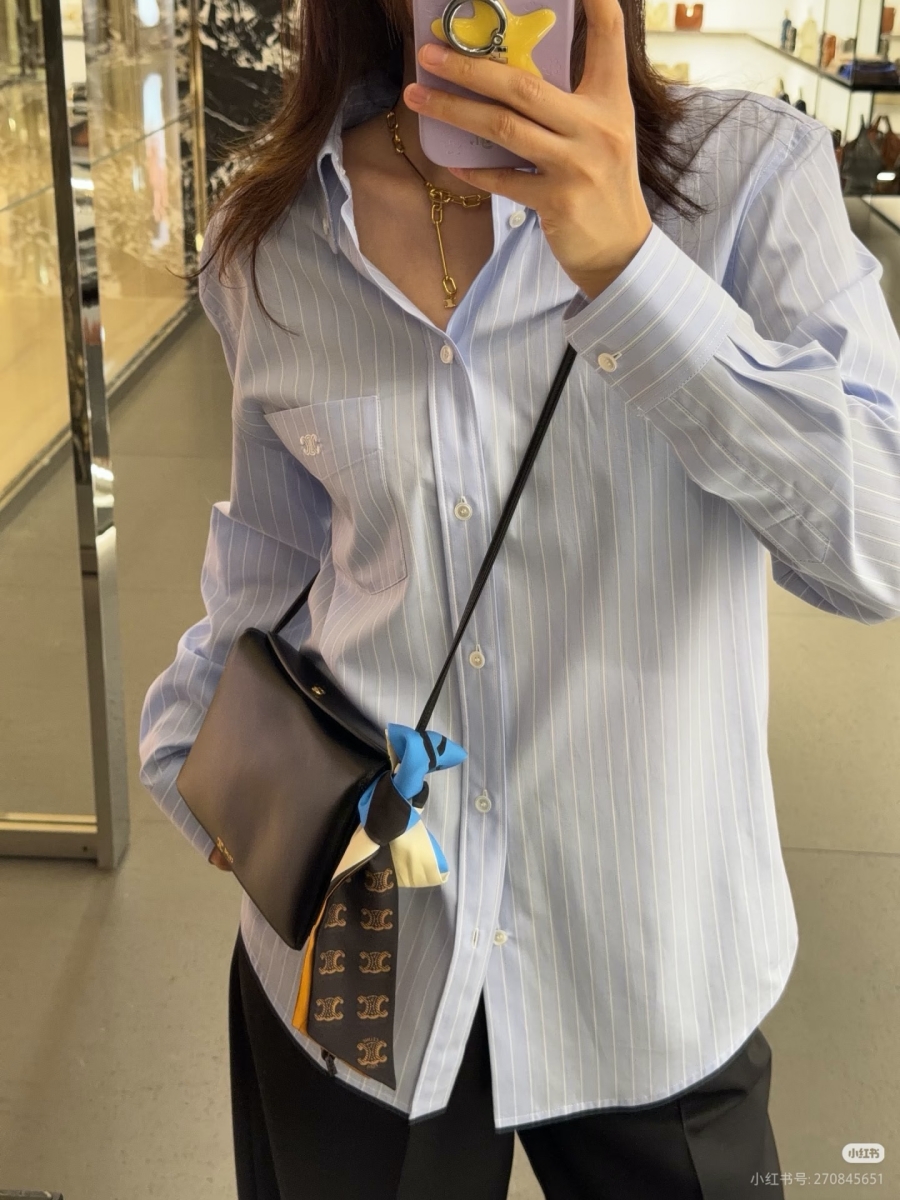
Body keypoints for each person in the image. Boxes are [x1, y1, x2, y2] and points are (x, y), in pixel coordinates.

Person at [139, 0, 900, 1195]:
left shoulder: (749, 178)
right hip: (364, 950)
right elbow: (274, 557)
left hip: (649, 963)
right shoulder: (274, 230)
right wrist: (198, 764)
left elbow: (878, 548)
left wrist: (633, 272)